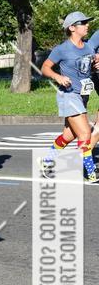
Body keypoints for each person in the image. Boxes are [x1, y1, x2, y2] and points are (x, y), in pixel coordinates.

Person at [40, 12, 98, 183]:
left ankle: (47, 160)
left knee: (68, 136)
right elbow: (45, 68)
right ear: (72, 27)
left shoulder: (88, 47)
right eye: (83, 23)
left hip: (83, 96)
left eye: (88, 22)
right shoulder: (62, 49)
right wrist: (58, 77)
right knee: (86, 132)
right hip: (69, 95)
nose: (87, 25)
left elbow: (88, 67)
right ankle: (90, 172)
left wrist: (95, 65)